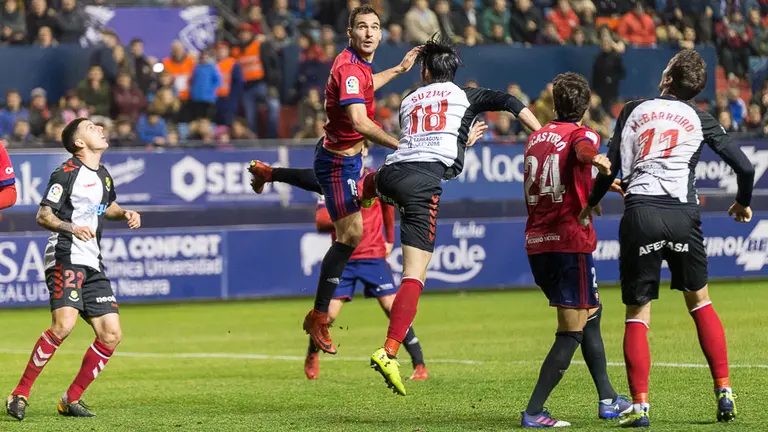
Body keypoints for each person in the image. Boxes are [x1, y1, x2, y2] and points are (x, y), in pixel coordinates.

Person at [359, 36, 542, 396]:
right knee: (415, 274)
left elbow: (426, 138)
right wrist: (543, 133)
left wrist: (461, 141)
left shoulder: (410, 100)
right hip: (421, 182)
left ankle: (362, 194)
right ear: (454, 72)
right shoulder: (466, 96)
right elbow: (509, 103)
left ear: (425, 71)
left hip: (392, 172)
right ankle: (390, 351)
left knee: (373, 185)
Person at [582, 49, 753, 427]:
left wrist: (591, 203)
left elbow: (610, 168)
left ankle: (641, 406)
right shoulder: (700, 117)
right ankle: (724, 391)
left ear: (667, 79)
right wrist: (742, 203)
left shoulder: (632, 110)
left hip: (641, 211)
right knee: (700, 302)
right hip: (682, 215)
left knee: (638, 313)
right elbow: (744, 165)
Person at [251, 4, 420, 356]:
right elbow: (360, 122)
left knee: (334, 189)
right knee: (352, 233)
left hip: (337, 157)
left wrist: (401, 69)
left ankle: (271, 173)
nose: (370, 32)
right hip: (340, 162)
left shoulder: (356, 67)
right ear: (350, 32)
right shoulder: (349, 66)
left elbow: (366, 86)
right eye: (362, 27)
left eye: (375, 26)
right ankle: (318, 315)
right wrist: (403, 144)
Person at [248, 144, 429, 381]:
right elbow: (321, 221)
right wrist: (341, 211)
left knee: (393, 308)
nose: (358, 152)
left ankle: (419, 364)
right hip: (346, 258)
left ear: (364, 152)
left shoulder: (375, 178)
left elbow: (388, 211)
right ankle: (312, 354)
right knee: (330, 316)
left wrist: (390, 240)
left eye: (361, 149)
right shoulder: (335, 184)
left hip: (374, 257)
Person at [5, 118, 141, 421]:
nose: (101, 129)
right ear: (79, 142)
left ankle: (71, 399)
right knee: (63, 326)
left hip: (93, 262)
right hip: (65, 255)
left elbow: (109, 208)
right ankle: (19, 393)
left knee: (111, 334)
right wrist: (71, 227)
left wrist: (127, 213)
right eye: (92, 127)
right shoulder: (65, 173)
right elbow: (44, 216)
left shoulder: (104, 176)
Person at [520, 72, 631, 428]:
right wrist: (596, 160)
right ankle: (534, 412)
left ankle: (609, 399)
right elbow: (582, 151)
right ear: (585, 107)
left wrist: (597, 184)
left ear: (555, 104)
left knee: (591, 314)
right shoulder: (583, 133)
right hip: (569, 242)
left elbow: (565, 166)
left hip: (537, 244)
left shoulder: (536, 137)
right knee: (571, 330)